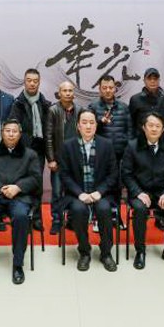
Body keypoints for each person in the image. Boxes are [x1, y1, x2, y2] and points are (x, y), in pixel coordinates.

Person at [0, 119, 42, 285]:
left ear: (20, 134)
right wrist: (1, 188)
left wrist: (18, 187)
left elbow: (36, 178)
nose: (11, 134)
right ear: (2, 133)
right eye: (7, 131)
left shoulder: (30, 155)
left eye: (14, 131)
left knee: (21, 216)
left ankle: (17, 264)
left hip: (20, 197)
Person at [59, 109, 119, 272]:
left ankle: (106, 252)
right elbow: (64, 175)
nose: (88, 126)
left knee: (104, 209)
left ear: (96, 125)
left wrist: (100, 192)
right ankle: (84, 251)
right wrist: (80, 194)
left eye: (92, 122)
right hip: (77, 194)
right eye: (84, 122)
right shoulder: (68, 146)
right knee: (78, 210)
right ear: (78, 126)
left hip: (101, 193)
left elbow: (113, 173)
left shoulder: (106, 145)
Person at [121, 112, 164, 269]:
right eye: (150, 125)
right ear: (144, 127)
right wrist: (138, 193)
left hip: (161, 192)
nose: (154, 129)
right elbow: (126, 174)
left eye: (158, 126)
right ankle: (140, 251)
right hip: (140, 192)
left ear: (163, 130)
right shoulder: (133, 146)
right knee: (140, 209)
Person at [8, 68, 51, 230]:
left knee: (36, 184)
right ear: (24, 82)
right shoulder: (17, 104)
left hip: (39, 150)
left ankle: (36, 217)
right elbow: (12, 128)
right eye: (29, 80)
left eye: (35, 81)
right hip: (22, 150)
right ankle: (22, 216)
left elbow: (49, 129)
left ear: (39, 83)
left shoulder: (45, 104)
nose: (32, 83)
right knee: (21, 184)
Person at [46, 81, 80, 235]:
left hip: (75, 159)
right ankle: (56, 220)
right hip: (58, 160)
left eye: (70, 90)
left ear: (74, 93)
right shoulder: (53, 110)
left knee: (74, 191)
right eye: (64, 90)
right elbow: (48, 136)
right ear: (59, 93)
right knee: (57, 192)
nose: (67, 93)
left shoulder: (80, 110)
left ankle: (72, 219)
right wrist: (51, 159)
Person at [89, 74, 133, 162]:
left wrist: (128, 151)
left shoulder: (124, 107)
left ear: (115, 89)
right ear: (100, 89)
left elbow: (130, 130)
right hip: (101, 153)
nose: (108, 90)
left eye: (111, 87)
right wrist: (100, 122)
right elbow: (88, 130)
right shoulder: (93, 107)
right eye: (104, 88)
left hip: (121, 154)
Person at [128, 67, 164, 135]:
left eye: (155, 79)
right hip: (141, 139)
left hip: (162, 139)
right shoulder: (135, 99)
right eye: (149, 79)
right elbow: (130, 122)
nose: (152, 81)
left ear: (159, 80)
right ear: (144, 81)